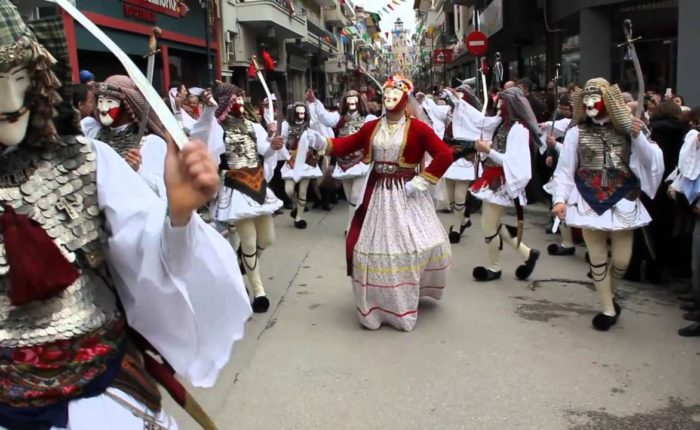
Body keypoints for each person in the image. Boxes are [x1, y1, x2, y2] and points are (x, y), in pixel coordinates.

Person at [0, 2, 251, 428]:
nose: (8, 101)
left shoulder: (84, 159)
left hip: (97, 390)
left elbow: (147, 254)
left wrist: (178, 214)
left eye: (18, 80)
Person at [311, 74, 454, 331]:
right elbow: (347, 143)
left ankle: (403, 303)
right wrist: (324, 143)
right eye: (386, 95)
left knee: (411, 246)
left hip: (407, 193)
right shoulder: (372, 126)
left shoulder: (419, 128)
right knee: (370, 248)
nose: (389, 100)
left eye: (395, 95)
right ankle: (377, 305)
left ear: (405, 99)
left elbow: (444, 154)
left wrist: (422, 181)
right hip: (378, 191)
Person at [551, 78, 664, 331]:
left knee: (623, 261)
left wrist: (639, 137)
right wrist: (559, 199)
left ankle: (608, 296)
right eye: (586, 99)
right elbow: (565, 170)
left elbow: (651, 161)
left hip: (623, 197)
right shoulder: (575, 133)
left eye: (595, 99)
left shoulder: (630, 129)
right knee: (597, 257)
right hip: (587, 198)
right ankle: (607, 307)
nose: (590, 104)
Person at [208, 82, 283, 313]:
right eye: (235, 99)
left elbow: (264, 150)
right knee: (248, 240)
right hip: (234, 186)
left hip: (257, 184)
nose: (240, 103)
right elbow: (210, 152)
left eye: (241, 99)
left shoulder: (252, 126)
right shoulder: (217, 128)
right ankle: (258, 291)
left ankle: (244, 259)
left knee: (267, 239)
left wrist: (274, 145)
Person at [467, 87, 543, 282]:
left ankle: (495, 267)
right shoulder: (503, 124)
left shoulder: (518, 129)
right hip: (492, 177)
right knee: (493, 223)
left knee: (488, 225)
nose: (499, 105)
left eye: (502, 102)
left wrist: (488, 151)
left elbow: (511, 161)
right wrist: (484, 150)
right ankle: (527, 253)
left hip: (501, 180)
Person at [308, 89, 377, 234]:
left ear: (359, 102)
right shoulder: (339, 118)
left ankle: (351, 227)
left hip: (361, 161)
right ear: (345, 102)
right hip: (343, 161)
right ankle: (362, 222)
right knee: (350, 196)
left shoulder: (369, 118)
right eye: (349, 100)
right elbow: (324, 117)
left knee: (355, 196)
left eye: (355, 100)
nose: (352, 103)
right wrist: (314, 101)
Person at [92, 75, 168, 199]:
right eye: (100, 101)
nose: (103, 108)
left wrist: (138, 170)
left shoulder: (151, 142)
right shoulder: (95, 137)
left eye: (109, 102)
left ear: (126, 104)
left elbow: (163, 191)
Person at [281, 102, 323, 229]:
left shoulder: (311, 126)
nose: (300, 115)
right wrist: (288, 158)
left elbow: (318, 141)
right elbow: (281, 143)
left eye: (302, 112)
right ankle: (295, 207)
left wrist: (318, 150)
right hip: (292, 160)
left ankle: (299, 217)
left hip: (306, 160)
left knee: (303, 191)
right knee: (288, 189)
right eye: (298, 112)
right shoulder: (286, 126)